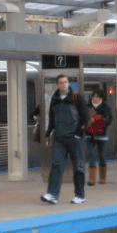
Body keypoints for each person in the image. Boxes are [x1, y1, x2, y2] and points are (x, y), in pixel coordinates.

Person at [41, 74, 90, 205]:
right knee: (56, 164)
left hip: (74, 138)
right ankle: (52, 194)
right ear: (57, 85)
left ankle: (80, 195)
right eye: (61, 82)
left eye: (66, 82)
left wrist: (79, 134)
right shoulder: (54, 98)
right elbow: (52, 118)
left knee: (78, 166)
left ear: (68, 83)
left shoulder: (76, 97)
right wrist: (48, 133)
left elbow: (85, 117)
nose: (64, 84)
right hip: (59, 138)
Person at [86, 89, 113, 186]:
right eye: (93, 96)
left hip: (102, 135)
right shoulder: (88, 106)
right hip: (90, 134)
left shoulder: (106, 107)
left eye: (97, 97)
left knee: (102, 156)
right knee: (92, 155)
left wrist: (99, 121)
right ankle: (92, 179)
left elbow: (109, 119)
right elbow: (82, 118)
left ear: (101, 98)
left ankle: (102, 178)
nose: (95, 98)